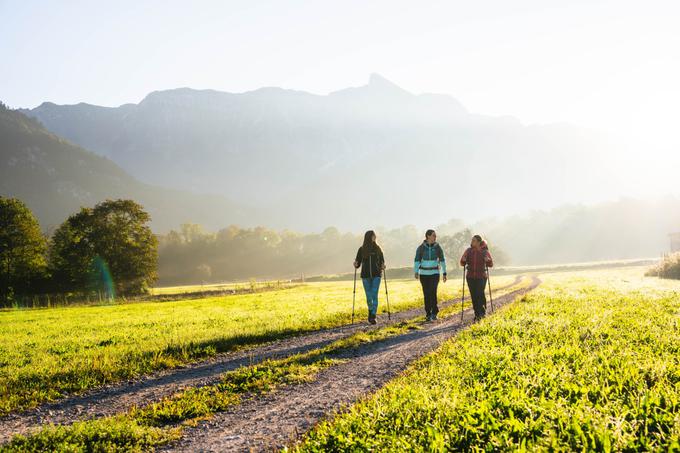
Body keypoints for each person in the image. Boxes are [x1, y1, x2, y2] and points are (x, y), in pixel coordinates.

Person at [414, 229, 447, 321]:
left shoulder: (438, 247)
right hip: (424, 275)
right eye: (433, 235)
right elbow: (417, 260)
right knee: (426, 293)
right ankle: (428, 313)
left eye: (435, 236)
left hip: (435, 274)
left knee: (433, 292)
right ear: (428, 236)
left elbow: (442, 260)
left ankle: (434, 312)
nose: (435, 237)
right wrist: (416, 271)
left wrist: (444, 272)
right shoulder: (421, 248)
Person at [354, 230, 385, 324]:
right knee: (368, 296)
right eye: (373, 236)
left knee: (374, 295)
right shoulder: (361, 249)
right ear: (369, 237)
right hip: (365, 276)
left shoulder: (378, 249)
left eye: (375, 235)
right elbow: (358, 263)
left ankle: (373, 315)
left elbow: (382, 262)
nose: (375, 237)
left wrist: (383, 266)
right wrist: (355, 264)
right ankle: (370, 311)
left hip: (376, 275)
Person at [460, 234, 493, 321]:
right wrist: (463, 260)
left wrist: (488, 261)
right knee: (474, 296)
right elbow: (462, 263)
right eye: (472, 240)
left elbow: (491, 264)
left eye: (473, 240)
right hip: (470, 277)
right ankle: (477, 314)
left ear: (478, 242)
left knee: (480, 294)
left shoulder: (484, 252)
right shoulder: (468, 251)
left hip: (481, 276)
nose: (472, 242)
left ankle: (482, 313)